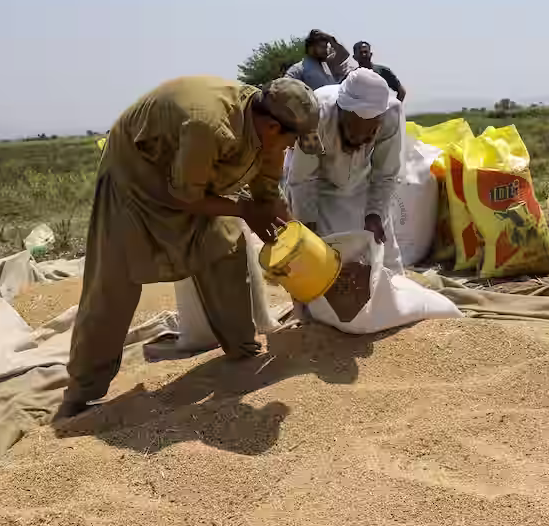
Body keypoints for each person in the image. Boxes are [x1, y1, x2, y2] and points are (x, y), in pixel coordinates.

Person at [56, 76, 322, 419]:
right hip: (135, 178)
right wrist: (244, 210)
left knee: (226, 246)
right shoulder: (208, 125)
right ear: (272, 127)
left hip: (190, 177)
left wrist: (294, 242)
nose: (290, 149)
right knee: (113, 283)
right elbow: (185, 197)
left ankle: (242, 349)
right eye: (291, 141)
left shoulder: (265, 133)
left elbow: (267, 193)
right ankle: (81, 394)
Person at [288, 69, 404, 272]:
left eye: (369, 133)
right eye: (353, 131)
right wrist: (308, 226)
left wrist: (375, 213)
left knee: (384, 260)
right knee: (323, 261)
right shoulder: (316, 115)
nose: (360, 140)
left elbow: (386, 173)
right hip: (319, 185)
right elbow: (304, 179)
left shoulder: (391, 115)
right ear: (341, 113)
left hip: (361, 182)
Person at [284, 29, 358, 90]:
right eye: (322, 47)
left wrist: (331, 39)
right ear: (311, 48)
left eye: (326, 47)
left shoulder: (329, 66)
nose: (326, 50)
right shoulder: (298, 69)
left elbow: (344, 54)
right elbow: (284, 87)